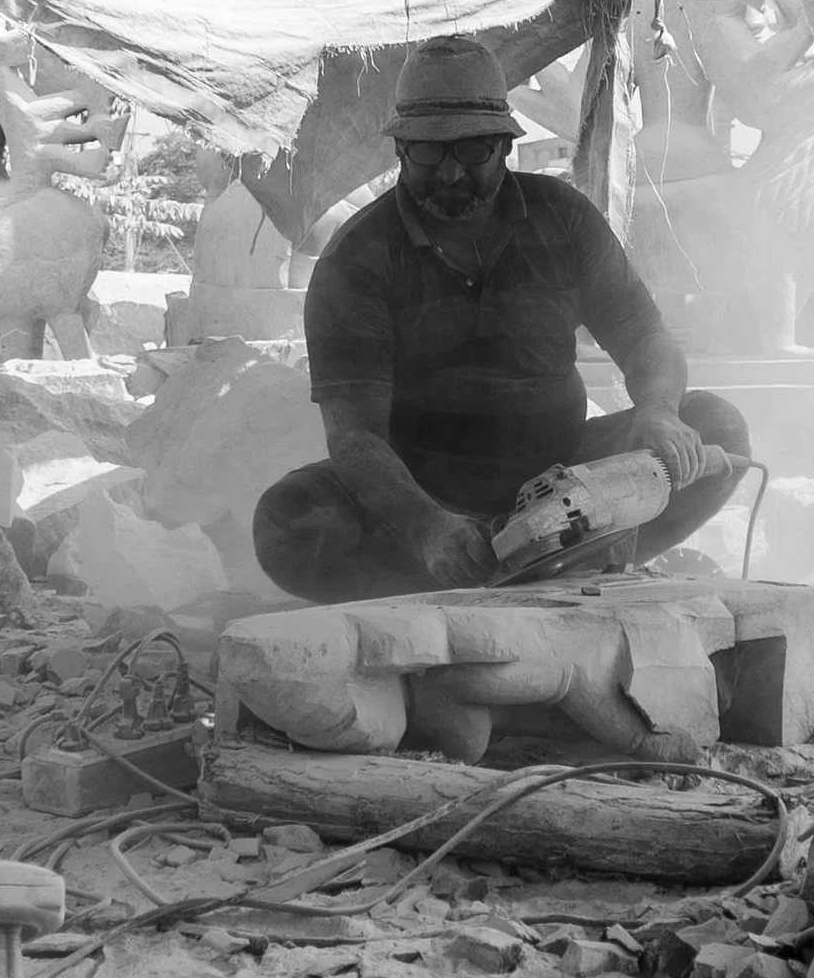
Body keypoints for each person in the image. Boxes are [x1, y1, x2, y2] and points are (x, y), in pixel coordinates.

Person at [253, 34, 750, 604]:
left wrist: (660, 412)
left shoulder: (562, 218)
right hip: (420, 492)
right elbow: (355, 436)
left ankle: (578, 557)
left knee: (716, 429)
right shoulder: (358, 258)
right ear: (400, 150)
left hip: (565, 478)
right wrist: (428, 529)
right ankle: (448, 582)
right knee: (290, 525)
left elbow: (644, 337)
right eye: (428, 152)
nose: (450, 174)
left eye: (472, 151)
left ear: (505, 146)